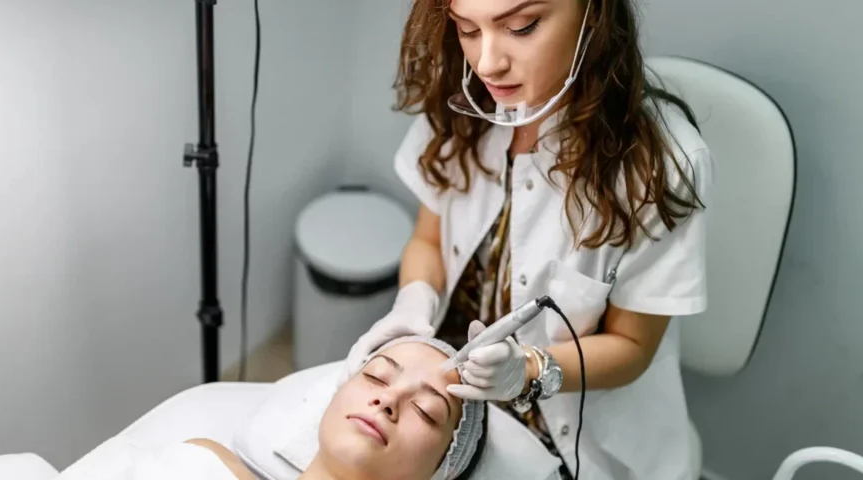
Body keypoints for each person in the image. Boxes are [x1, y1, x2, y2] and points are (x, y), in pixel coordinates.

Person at [341, 0, 713, 479]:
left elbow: (630, 348)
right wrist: (414, 301)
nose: (488, 62)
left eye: (521, 27)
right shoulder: (466, 103)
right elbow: (428, 243)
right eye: (466, 29)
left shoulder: (660, 165)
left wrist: (530, 369)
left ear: (593, 15)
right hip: (457, 405)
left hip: (579, 438)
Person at [186, 337, 489, 480]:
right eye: (376, 377)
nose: (387, 400)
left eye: (425, 410)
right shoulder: (203, 462)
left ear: (440, 471)